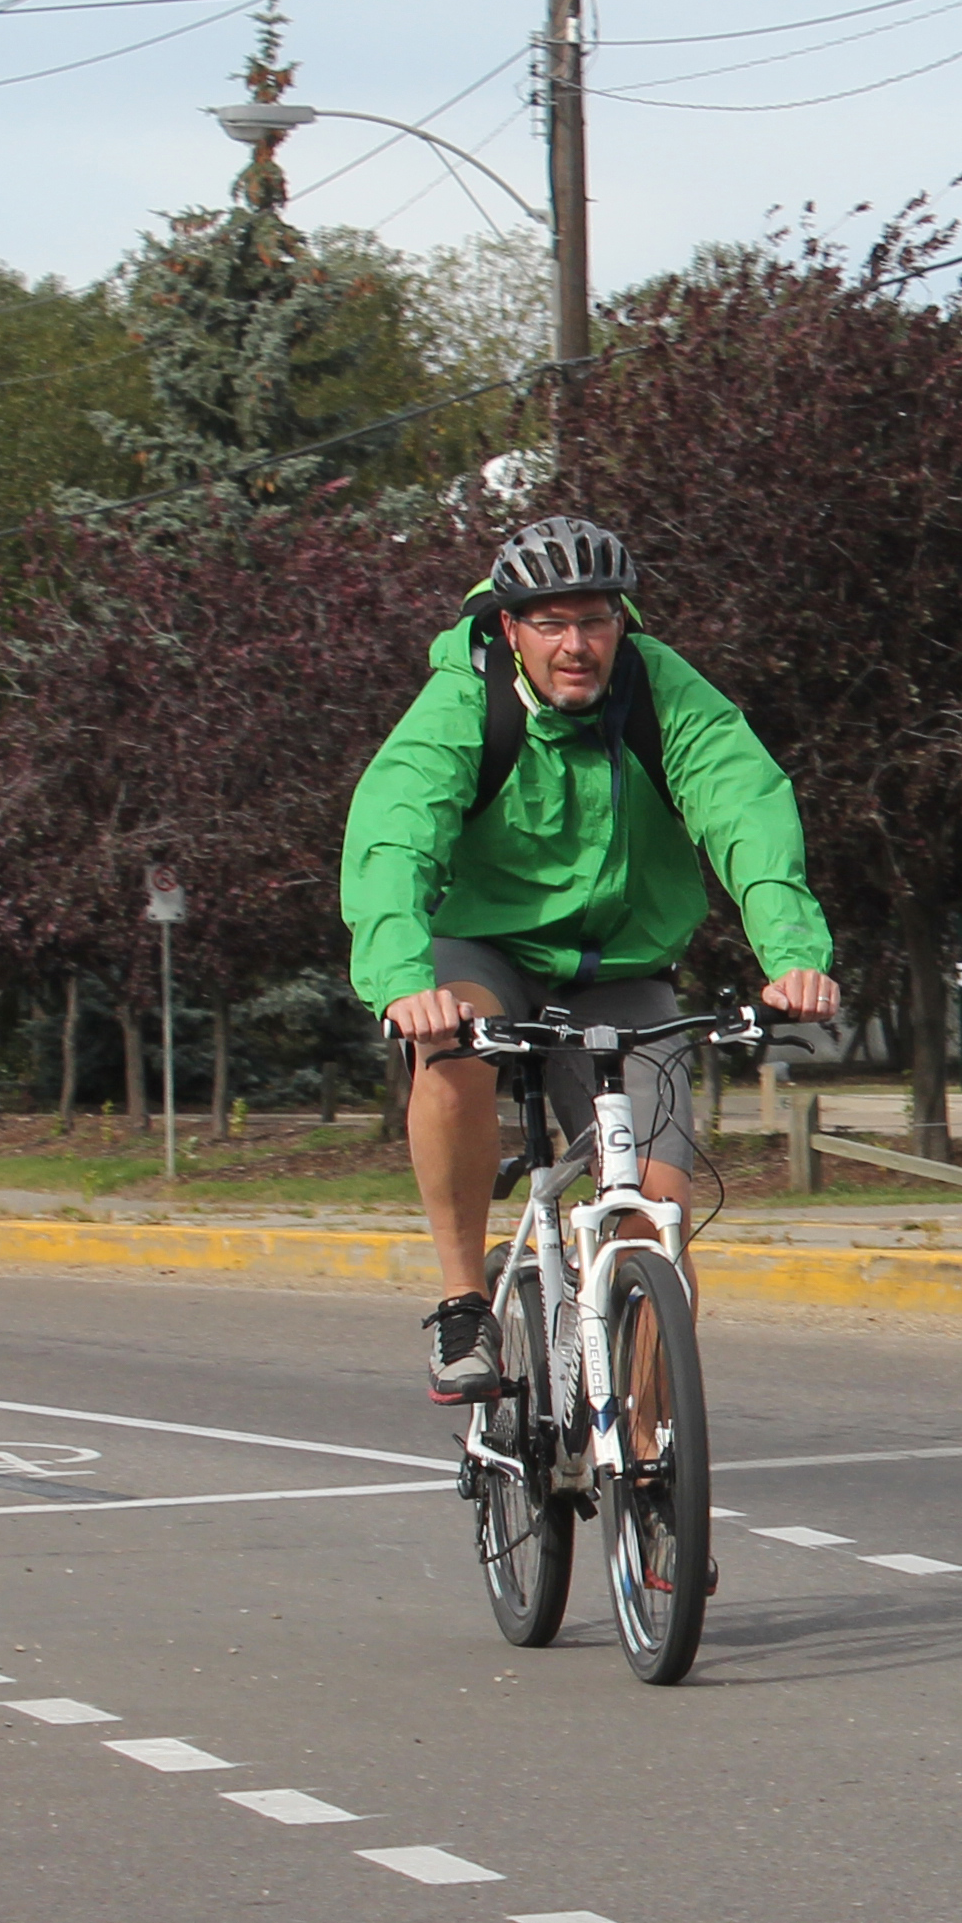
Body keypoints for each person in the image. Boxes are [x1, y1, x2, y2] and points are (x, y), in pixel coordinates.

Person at [339, 515, 841, 1402]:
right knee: (450, 1044)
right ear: (509, 629)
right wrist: (401, 981)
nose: (577, 645)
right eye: (551, 624)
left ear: (622, 622)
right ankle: (463, 1302)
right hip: (485, 950)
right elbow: (396, 835)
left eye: (597, 620)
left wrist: (793, 953)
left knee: (657, 1210)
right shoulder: (467, 701)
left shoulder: (661, 693)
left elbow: (745, 810)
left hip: (623, 970)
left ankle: (647, 1468)